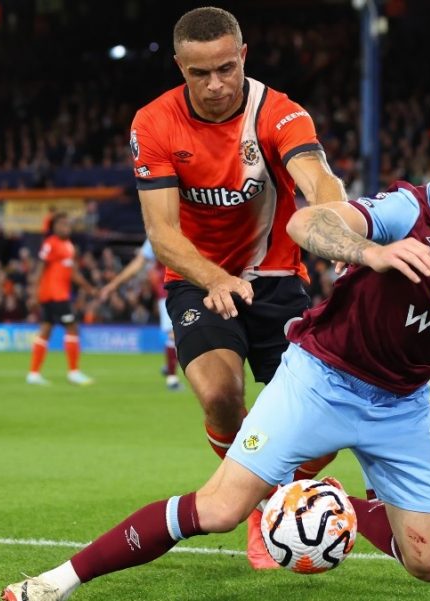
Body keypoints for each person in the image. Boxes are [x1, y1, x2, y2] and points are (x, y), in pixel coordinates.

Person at [1, 98, 430, 601]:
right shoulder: (402, 211)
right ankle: (61, 581)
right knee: (221, 510)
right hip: (321, 379)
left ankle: (329, 498)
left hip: (402, 402)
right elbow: (306, 223)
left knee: (429, 563)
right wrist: (371, 252)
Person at [127, 6, 346, 567]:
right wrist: (214, 277)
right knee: (222, 396)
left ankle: (261, 497)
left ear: (243, 56)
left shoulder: (279, 113)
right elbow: (161, 231)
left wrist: (342, 227)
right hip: (198, 280)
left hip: (278, 281)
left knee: (323, 430)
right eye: (199, 73)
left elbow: (317, 178)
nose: (216, 84)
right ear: (179, 66)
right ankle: (261, 508)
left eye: (226, 68)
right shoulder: (153, 123)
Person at [99, 239, 181, 390]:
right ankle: (172, 377)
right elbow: (138, 263)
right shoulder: (156, 234)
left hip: (195, 288)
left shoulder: (192, 226)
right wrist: (113, 285)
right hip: (169, 290)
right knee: (173, 334)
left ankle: (172, 362)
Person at [26, 213, 96, 386]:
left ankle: (33, 374)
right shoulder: (50, 243)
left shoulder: (69, 246)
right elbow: (40, 268)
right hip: (55, 295)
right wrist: (33, 294)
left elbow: (73, 273)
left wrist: (89, 288)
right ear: (55, 227)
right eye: (62, 224)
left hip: (57, 294)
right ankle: (74, 372)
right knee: (72, 327)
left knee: (46, 329)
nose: (66, 227)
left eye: (67, 224)